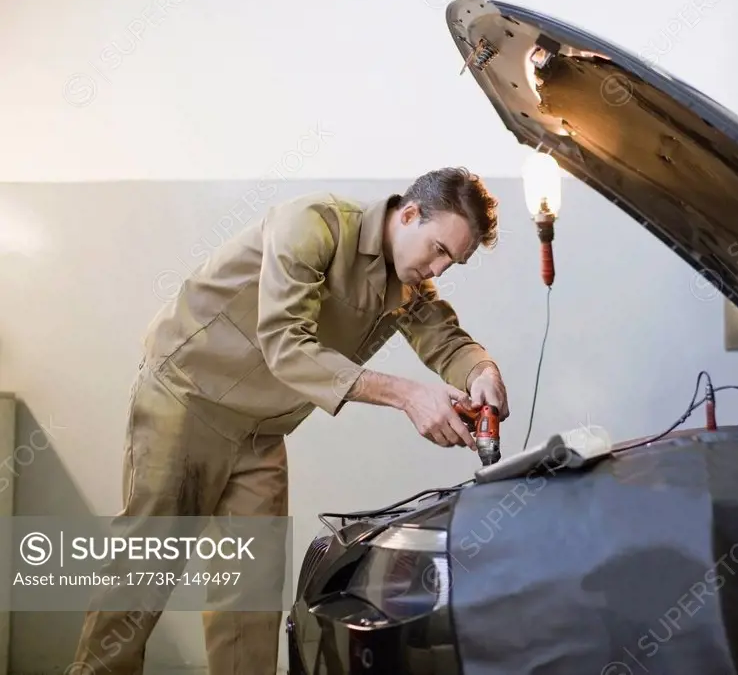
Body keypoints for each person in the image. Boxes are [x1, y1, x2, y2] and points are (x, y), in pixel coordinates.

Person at [71, 167, 510, 674]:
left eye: (452, 261)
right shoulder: (314, 225)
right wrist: (406, 395)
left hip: (260, 433)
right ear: (408, 213)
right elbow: (285, 343)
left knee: (251, 590)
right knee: (146, 567)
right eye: (438, 249)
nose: (439, 268)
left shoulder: (409, 284)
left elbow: (446, 339)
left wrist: (482, 372)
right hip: (188, 400)